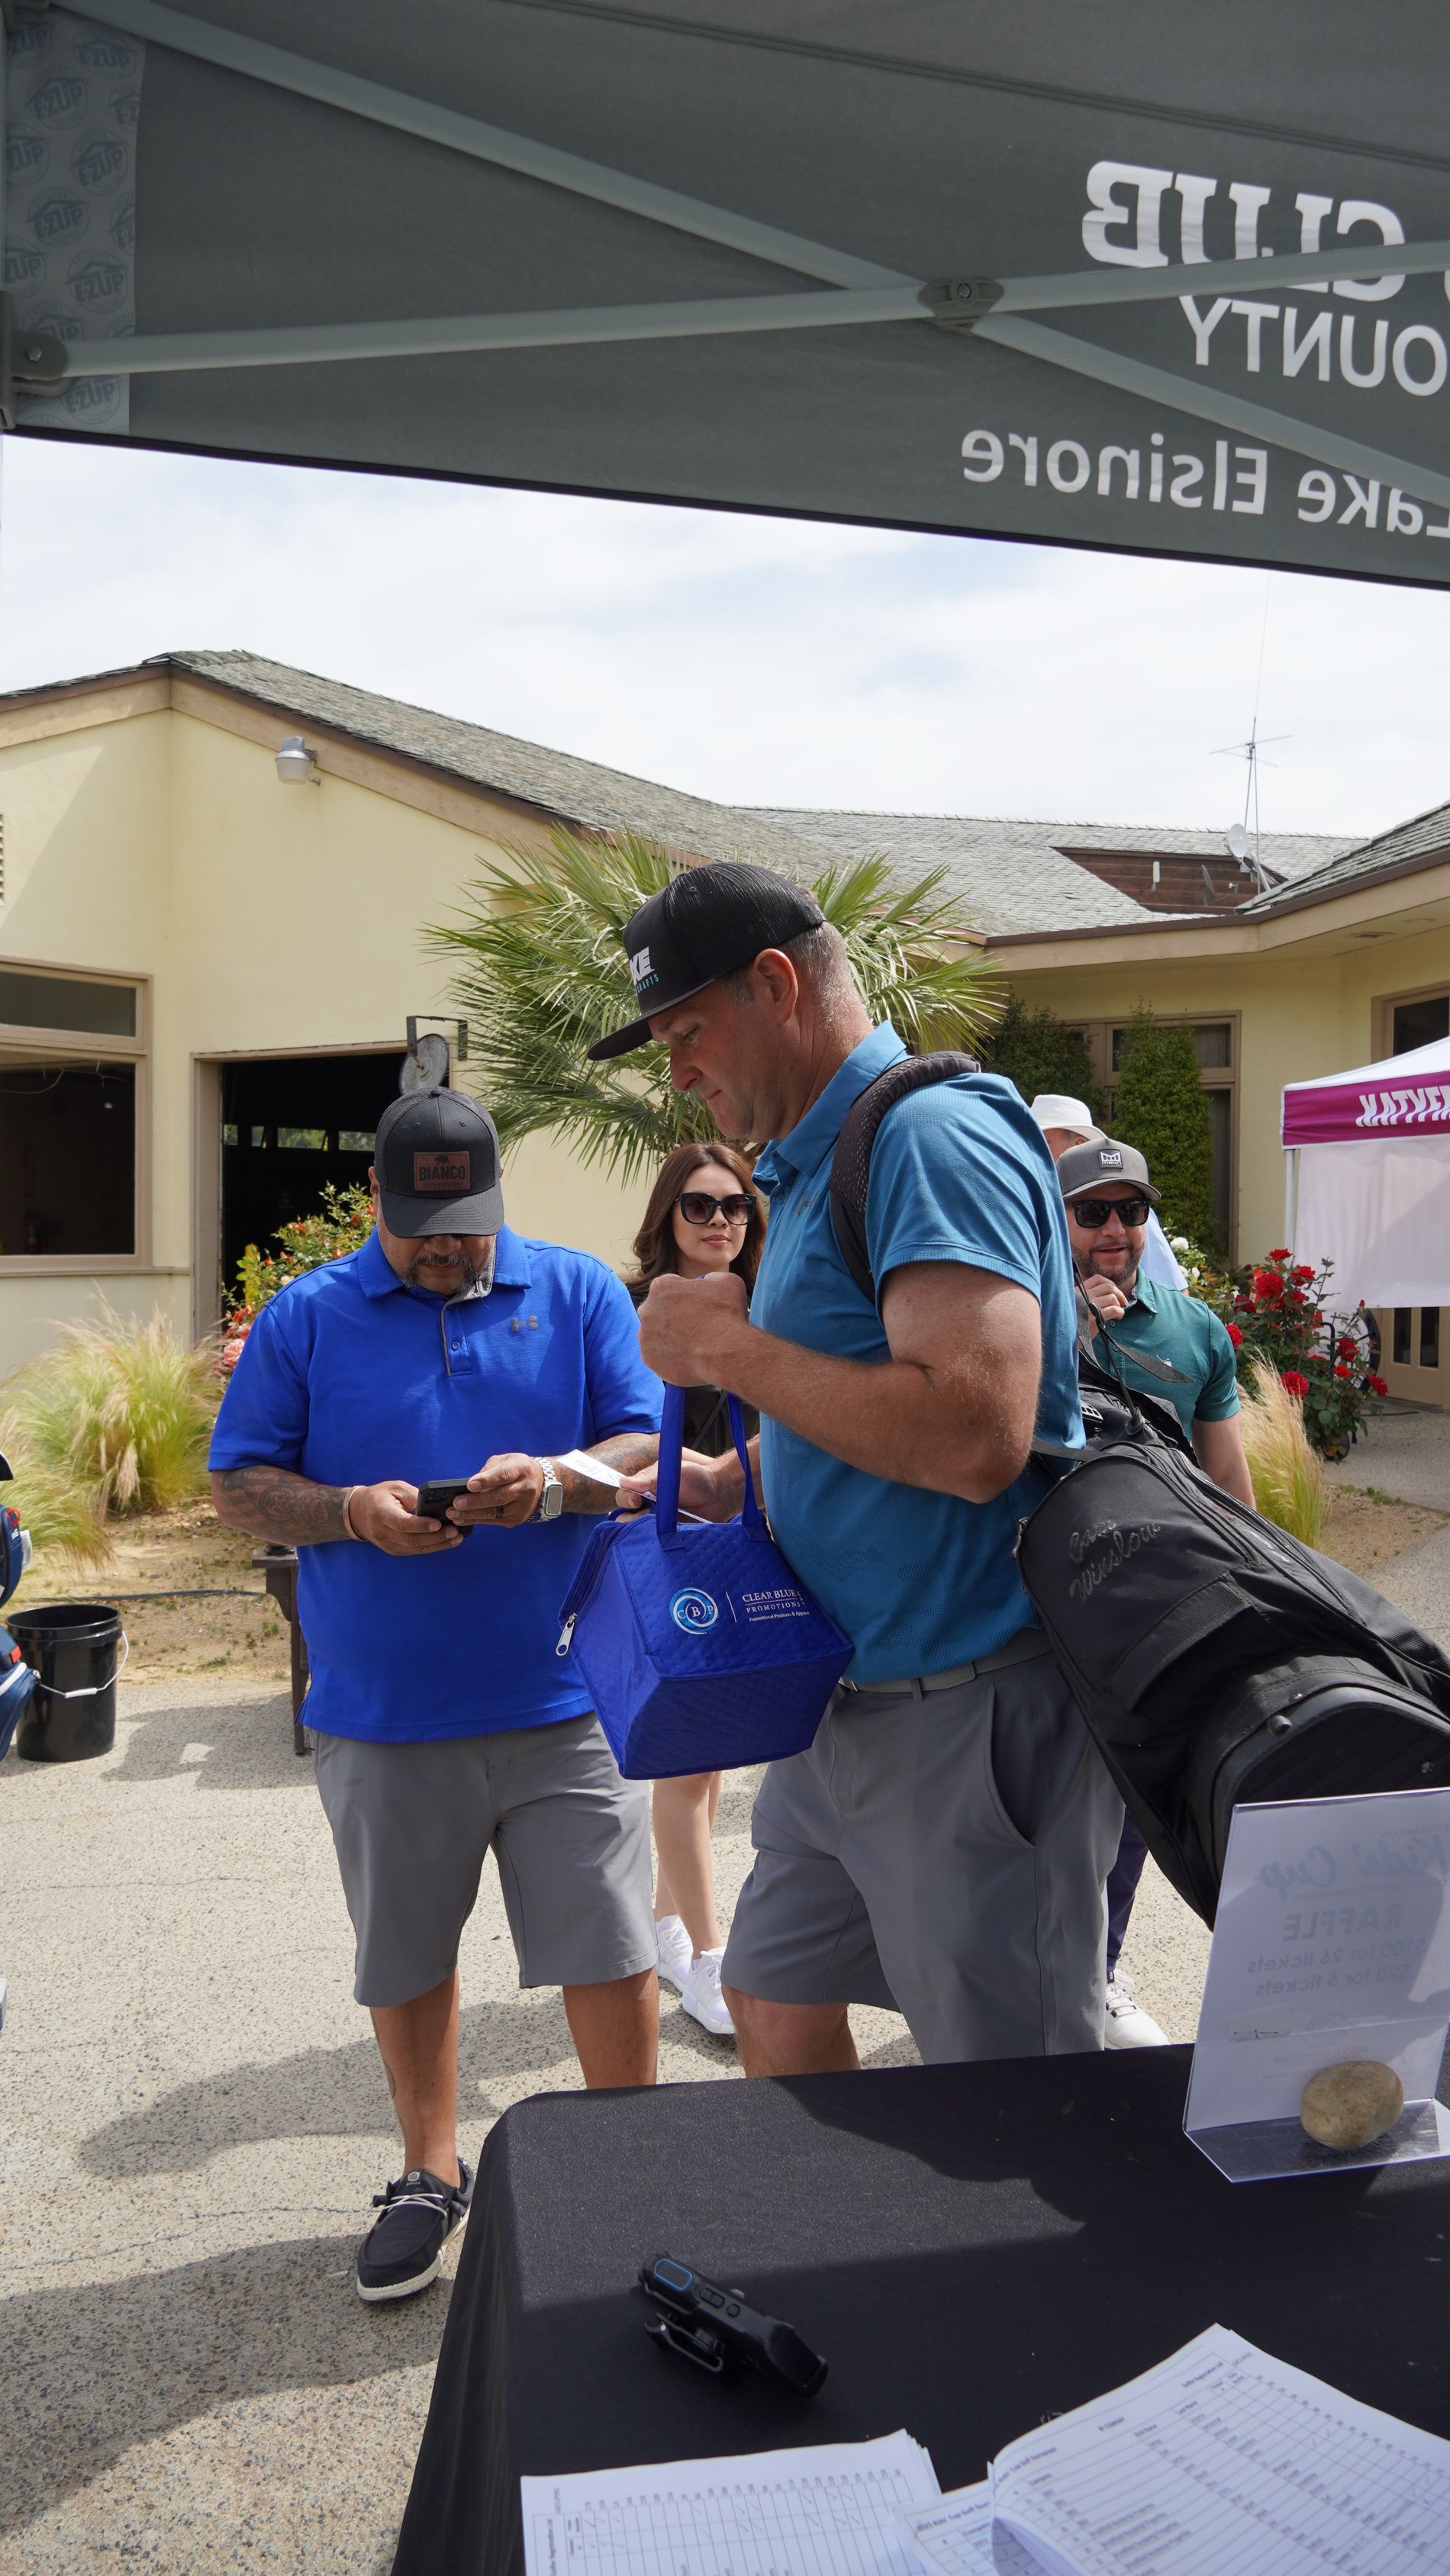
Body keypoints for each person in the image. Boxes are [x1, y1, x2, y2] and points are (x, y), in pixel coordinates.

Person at [592, 860, 1123, 2074]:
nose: (675, 1071)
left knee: (1010, 2090)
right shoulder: (810, 1158)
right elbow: (856, 1383)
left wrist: (727, 1351)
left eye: (685, 1032)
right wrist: (744, 1479)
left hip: (967, 1705)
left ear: (776, 984)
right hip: (843, 1705)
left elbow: (976, 1435)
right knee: (770, 2002)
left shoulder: (931, 1135)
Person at [208, 1085, 662, 2303]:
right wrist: (349, 1512)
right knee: (407, 1954)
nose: (450, 1248)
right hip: (383, 1713)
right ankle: (428, 2169)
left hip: (568, 1698)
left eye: (469, 1223)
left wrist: (558, 1478)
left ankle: (637, 2170)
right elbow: (238, 1483)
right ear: (376, 1199)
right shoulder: (307, 1316)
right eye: (423, 1229)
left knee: (612, 1946)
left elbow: (643, 1439)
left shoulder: (575, 1290)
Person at [1057, 1134, 1255, 2049]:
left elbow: (1227, 1479)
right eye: (1092, 1212)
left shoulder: (1196, 1329)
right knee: (1051, 1799)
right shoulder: (1027, 1316)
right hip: (1052, 1599)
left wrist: (1255, 1583)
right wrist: (1073, 1327)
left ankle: (1098, 1969)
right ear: (1059, 1220)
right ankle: (1043, 1975)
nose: (1113, 1229)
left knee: (1142, 1799)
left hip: (1164, 1603)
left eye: (1130, 1211)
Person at [624, 1139, 766, 2042]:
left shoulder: (762, 1308)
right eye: (700, 1204)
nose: (720, 1220)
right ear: (667, 1216)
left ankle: (668, 1926)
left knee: (711, 1761)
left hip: (741, 1551)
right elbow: (621, 1430)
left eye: (735, 1205)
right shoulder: (638, 1312)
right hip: (672, 1554)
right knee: (687, 1760)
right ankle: (708, 1957)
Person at [1029, 1093, 1187, 1290]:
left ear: (1079, 1144)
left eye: (1042, 1143)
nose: (1115, 1228)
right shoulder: (1036, 1209)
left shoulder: (1136, 1215)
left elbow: (1175, 1293)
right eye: (1091, 1212)